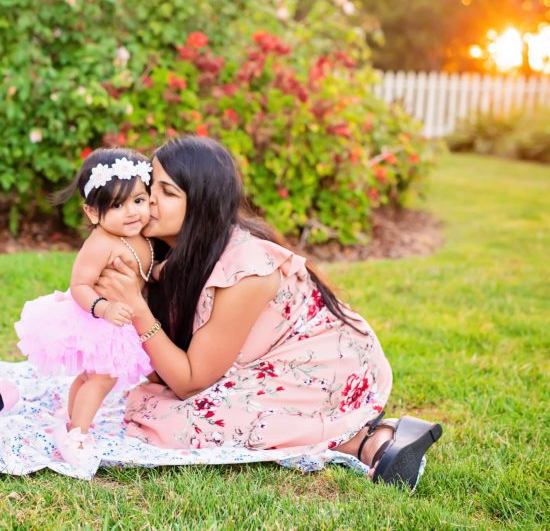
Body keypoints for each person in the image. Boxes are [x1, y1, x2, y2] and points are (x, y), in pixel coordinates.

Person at [95, 136, 442, 489]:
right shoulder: (165, 255)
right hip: (266, 358)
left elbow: (189, 382)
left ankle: (371, 441)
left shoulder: (245, 270)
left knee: (189, 423)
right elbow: (166, 362)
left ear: (201, 205)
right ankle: (368, 436)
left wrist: (138, 310)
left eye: (168, 193)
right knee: (163, 403)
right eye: (152, 185)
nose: (149, 199)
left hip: (326, 363)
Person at [14, 148, 156, 466]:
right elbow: (79, 284)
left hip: (119, 318)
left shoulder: (141, 234)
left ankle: (69, 420)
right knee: (103, 378)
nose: (132, 212)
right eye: (117, 205)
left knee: (90, 375)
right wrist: (102, 308)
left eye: (138, 200)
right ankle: (78, 433)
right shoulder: (100, 243)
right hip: (100, 320)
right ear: (92, 212)